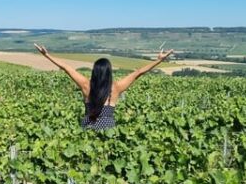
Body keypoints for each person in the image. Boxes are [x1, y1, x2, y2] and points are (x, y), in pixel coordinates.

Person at [34, 44, 174, 129]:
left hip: (87, 128)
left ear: (94, 71)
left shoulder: (86, 85)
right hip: (108, 130)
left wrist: (47, 55)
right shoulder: (116, 87)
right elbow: (138, 73)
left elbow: (66, 68)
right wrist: (159, 60)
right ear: (109, 72)